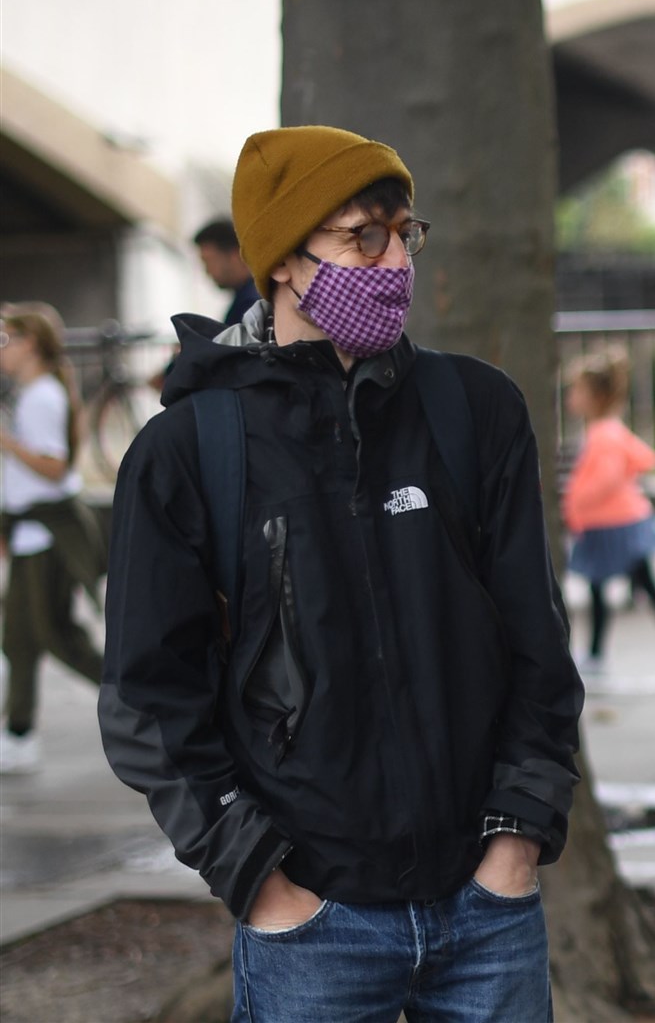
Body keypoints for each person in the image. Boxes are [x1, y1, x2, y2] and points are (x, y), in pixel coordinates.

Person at [99, 125, 583, 1020]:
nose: (395, 258)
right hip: (311, 929)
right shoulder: (189, 450)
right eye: (364, 236)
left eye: (405, 231)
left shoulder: (475, 410)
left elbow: (537, 647)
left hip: (486, 909)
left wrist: (514, 846)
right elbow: (146, 701)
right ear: (282, 258)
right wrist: (264, 885)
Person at [0, 303, 105, 775]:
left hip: (49, 536)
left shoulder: (43, 396)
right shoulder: (32, 393)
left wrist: (7, 442)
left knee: (58, 637)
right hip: (30, 533)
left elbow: (54, 467)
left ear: (30, 345)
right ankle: (17, 734)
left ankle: (147, 703)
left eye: (5, 340)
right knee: (20, 638)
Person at [562, 349, 655, 688]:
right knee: (606, 589)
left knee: (638, 587)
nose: (571, 397)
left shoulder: (602, 435)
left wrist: (575, 499)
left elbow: (607, 477)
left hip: (616, 525)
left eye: (576, 390)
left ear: (595, 396)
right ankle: (598, 656)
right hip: (614, 524)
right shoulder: (607, 431)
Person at [194, 219, 260, 327]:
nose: (207, 271)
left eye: (209, 261)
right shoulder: (246, 298)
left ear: (235, 256)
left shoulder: (251, 304)